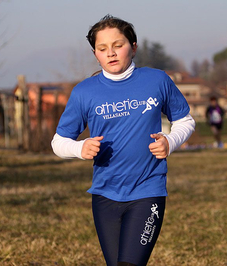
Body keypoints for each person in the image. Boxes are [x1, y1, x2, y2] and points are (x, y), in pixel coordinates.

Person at [51, 15, 195, 266]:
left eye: (118, 45)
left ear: (134, 46)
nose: (111, 53)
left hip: (147, 190)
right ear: (95, 54)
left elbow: (185, 121)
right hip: (105, 195)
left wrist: (170, 142)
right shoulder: (84, 92)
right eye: (102, 48)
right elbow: (59, 141)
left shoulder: (157, 80)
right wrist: (79, 148)